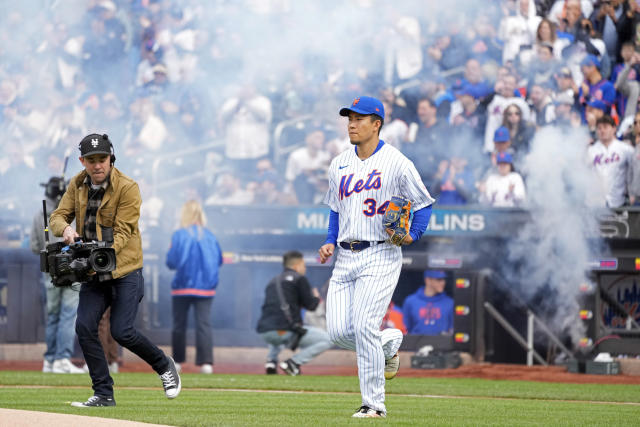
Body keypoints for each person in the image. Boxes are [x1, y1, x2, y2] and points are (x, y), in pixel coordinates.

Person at [318, 96, 435, 419]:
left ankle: (374, 405)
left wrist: (414, 234)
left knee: (364, 324)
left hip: (381, 252)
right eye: (349, 118)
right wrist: (330, 241)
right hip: (345, 255)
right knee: (339, 332)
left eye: (359, 118)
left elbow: (423, 203)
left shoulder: (397, 162)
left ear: (376, 123)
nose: (352, 124)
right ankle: (387, 343)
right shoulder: (339, 163)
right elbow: (334, 209)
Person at [49, 133, 181, 407]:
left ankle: (164, 365)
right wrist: (67, 229)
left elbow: (124, 232)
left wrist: (100, 251)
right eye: (92, 160)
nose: (98, 165)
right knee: (84, 327)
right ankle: (103, 393)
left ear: (111, 158)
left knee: (122, 331)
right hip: (92, 271)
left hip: (124, 271)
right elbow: (57, 216)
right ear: (82, 161)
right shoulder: (77, 183)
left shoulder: (128, 187)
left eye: (103, 159)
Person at [30, 177, 85, 374]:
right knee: (67, 315)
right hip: (71, 269)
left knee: (52, 316)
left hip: (49, 272)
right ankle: (62, 358)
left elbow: (35, 246)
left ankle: (50, 360)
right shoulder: (72, 214)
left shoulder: (40, 214)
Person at [166, 200, 222, 375]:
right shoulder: (211, 235)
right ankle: (206, 363)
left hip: (182, 286)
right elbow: (219, 260)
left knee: (179, 325)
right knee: (204, 324)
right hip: (206, 287)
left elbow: (171, 262)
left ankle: (177, 362)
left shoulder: (179, 235)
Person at [256, 251, 332, 376]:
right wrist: (316, 297)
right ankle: (293, 362)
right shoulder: (299, 279)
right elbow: (311, 306)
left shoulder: (272, 281)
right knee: (328, 339)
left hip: (266, 332)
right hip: (285, 332)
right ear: (297, 265)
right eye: (304, 265)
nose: (305, 268)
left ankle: (271, 361)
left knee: (277, 328)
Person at [587, 115, 636, 207]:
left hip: (618, 201)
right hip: (595, 202)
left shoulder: (626, 149)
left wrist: (632, 193)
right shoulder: (590, 150)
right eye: (599, 128)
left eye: (605, 127)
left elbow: (634, 171)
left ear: (614, 129)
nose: (602, 131)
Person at [402, 270, 454, 335]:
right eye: (439, 280)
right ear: (428, 280)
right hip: (415, 343)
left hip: (441, 344)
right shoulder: (410, 301)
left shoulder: (449, 303)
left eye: (444, 279)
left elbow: (452, 329)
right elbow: (405, 328)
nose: (443, 283)